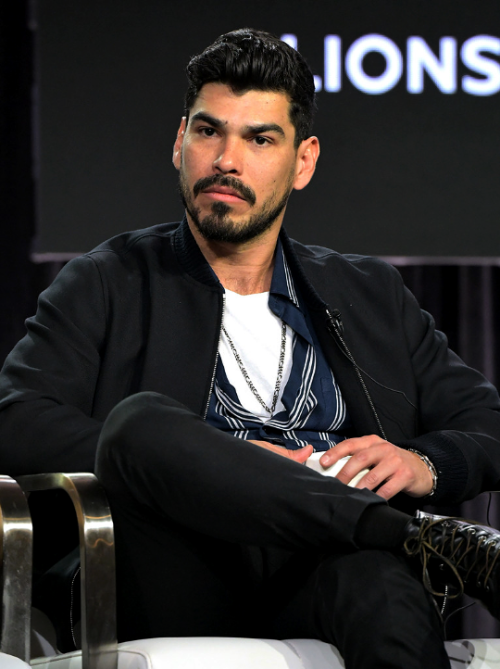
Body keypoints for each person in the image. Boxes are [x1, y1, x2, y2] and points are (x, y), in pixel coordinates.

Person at [1, 27, 500, 669]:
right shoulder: (108, 279)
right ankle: (417, 539)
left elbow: (485, 423)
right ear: (180, 142)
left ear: (304, 161)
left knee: (382, 588)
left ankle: (397, 543)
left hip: (323, 570)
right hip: (176, 568)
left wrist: (422, 464)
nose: (226, 160)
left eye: (259, 139)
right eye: (209, 132)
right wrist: (216, 460)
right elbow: (17, 420)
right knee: (138, 425)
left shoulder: (369, 293)